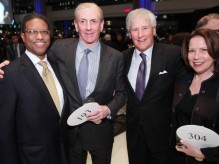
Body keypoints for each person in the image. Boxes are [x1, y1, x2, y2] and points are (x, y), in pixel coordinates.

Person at [48, 2, 127, 164]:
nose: (88, 27)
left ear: (102, 24)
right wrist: (11, 67)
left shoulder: (116, 57)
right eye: (83, 21)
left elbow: (122, 93)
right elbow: (41, 67)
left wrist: (108, 109)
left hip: (101, 131)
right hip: (70, 132)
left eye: (93, 21)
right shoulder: (60, 48)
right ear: (76, 25)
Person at [0, 13, 69, 164]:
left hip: (63, 153)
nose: (40, 36)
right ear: (23, 36)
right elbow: (5, 131)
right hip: (33, 157)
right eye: (32, 32)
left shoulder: (58, 66)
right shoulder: (10, 73)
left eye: (44, 32)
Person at [123, 8, 186, 164]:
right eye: (135, 29)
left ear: (154, 30)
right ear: (129, 33)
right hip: (134, 133)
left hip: (163, 134)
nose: (140, 34)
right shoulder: (122, 58)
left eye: (145, 28)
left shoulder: (173, 55)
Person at [171, 28, 219, 164]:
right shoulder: (182, 79)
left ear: (214, 52)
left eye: (204, 50)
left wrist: (205, 153)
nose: (196, 56)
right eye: (192, 51)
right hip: (177, 157)